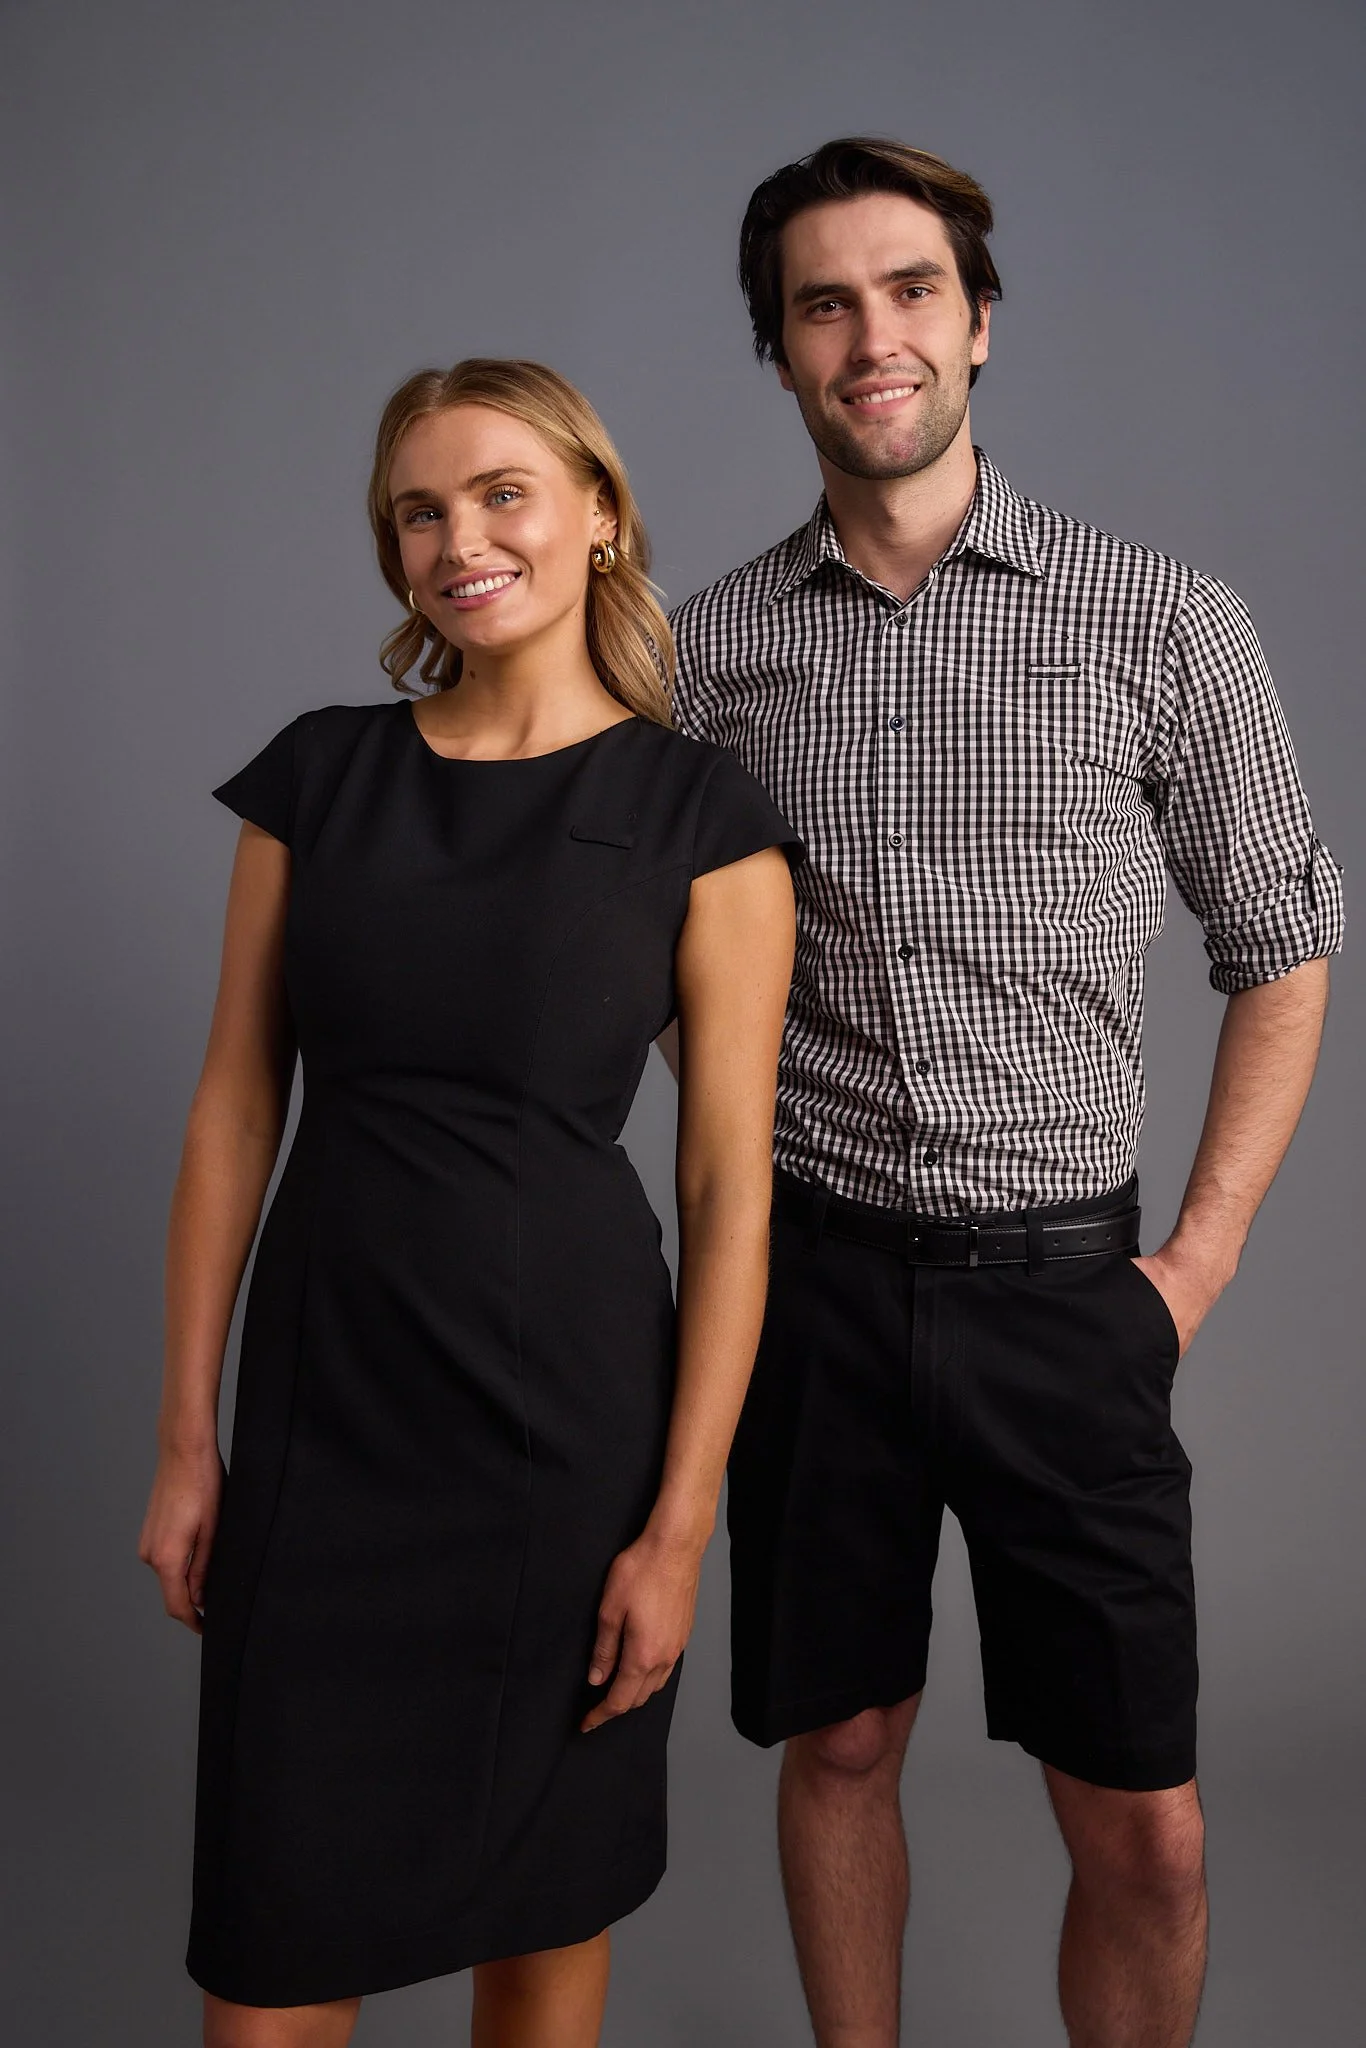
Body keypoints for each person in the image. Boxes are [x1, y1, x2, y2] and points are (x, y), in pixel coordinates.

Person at [665, 139, 1342, 2048]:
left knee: (1147, 1830)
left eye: (904, 291)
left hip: (1070, 1300)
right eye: (821, 303)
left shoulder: (1159, 619)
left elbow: (1282, 943)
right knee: (842, 1745)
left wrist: (1192, 1269)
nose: (868, 335)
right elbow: (650, 967)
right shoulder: (706, 655)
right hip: (814, 1289)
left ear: (976, 323)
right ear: (779, 354)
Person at [138, 356, 800, 2048]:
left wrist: (678, 1523)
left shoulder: (698, 816)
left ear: (596, 515)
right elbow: (233, 1108)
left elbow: (729, 1186)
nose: (459, 537)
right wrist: (187, 1438)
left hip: (562, 1431)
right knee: (272, 1954)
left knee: (541, 1921)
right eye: (419, 510)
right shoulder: (318, 779)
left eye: (501, 491)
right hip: (328, 1408)